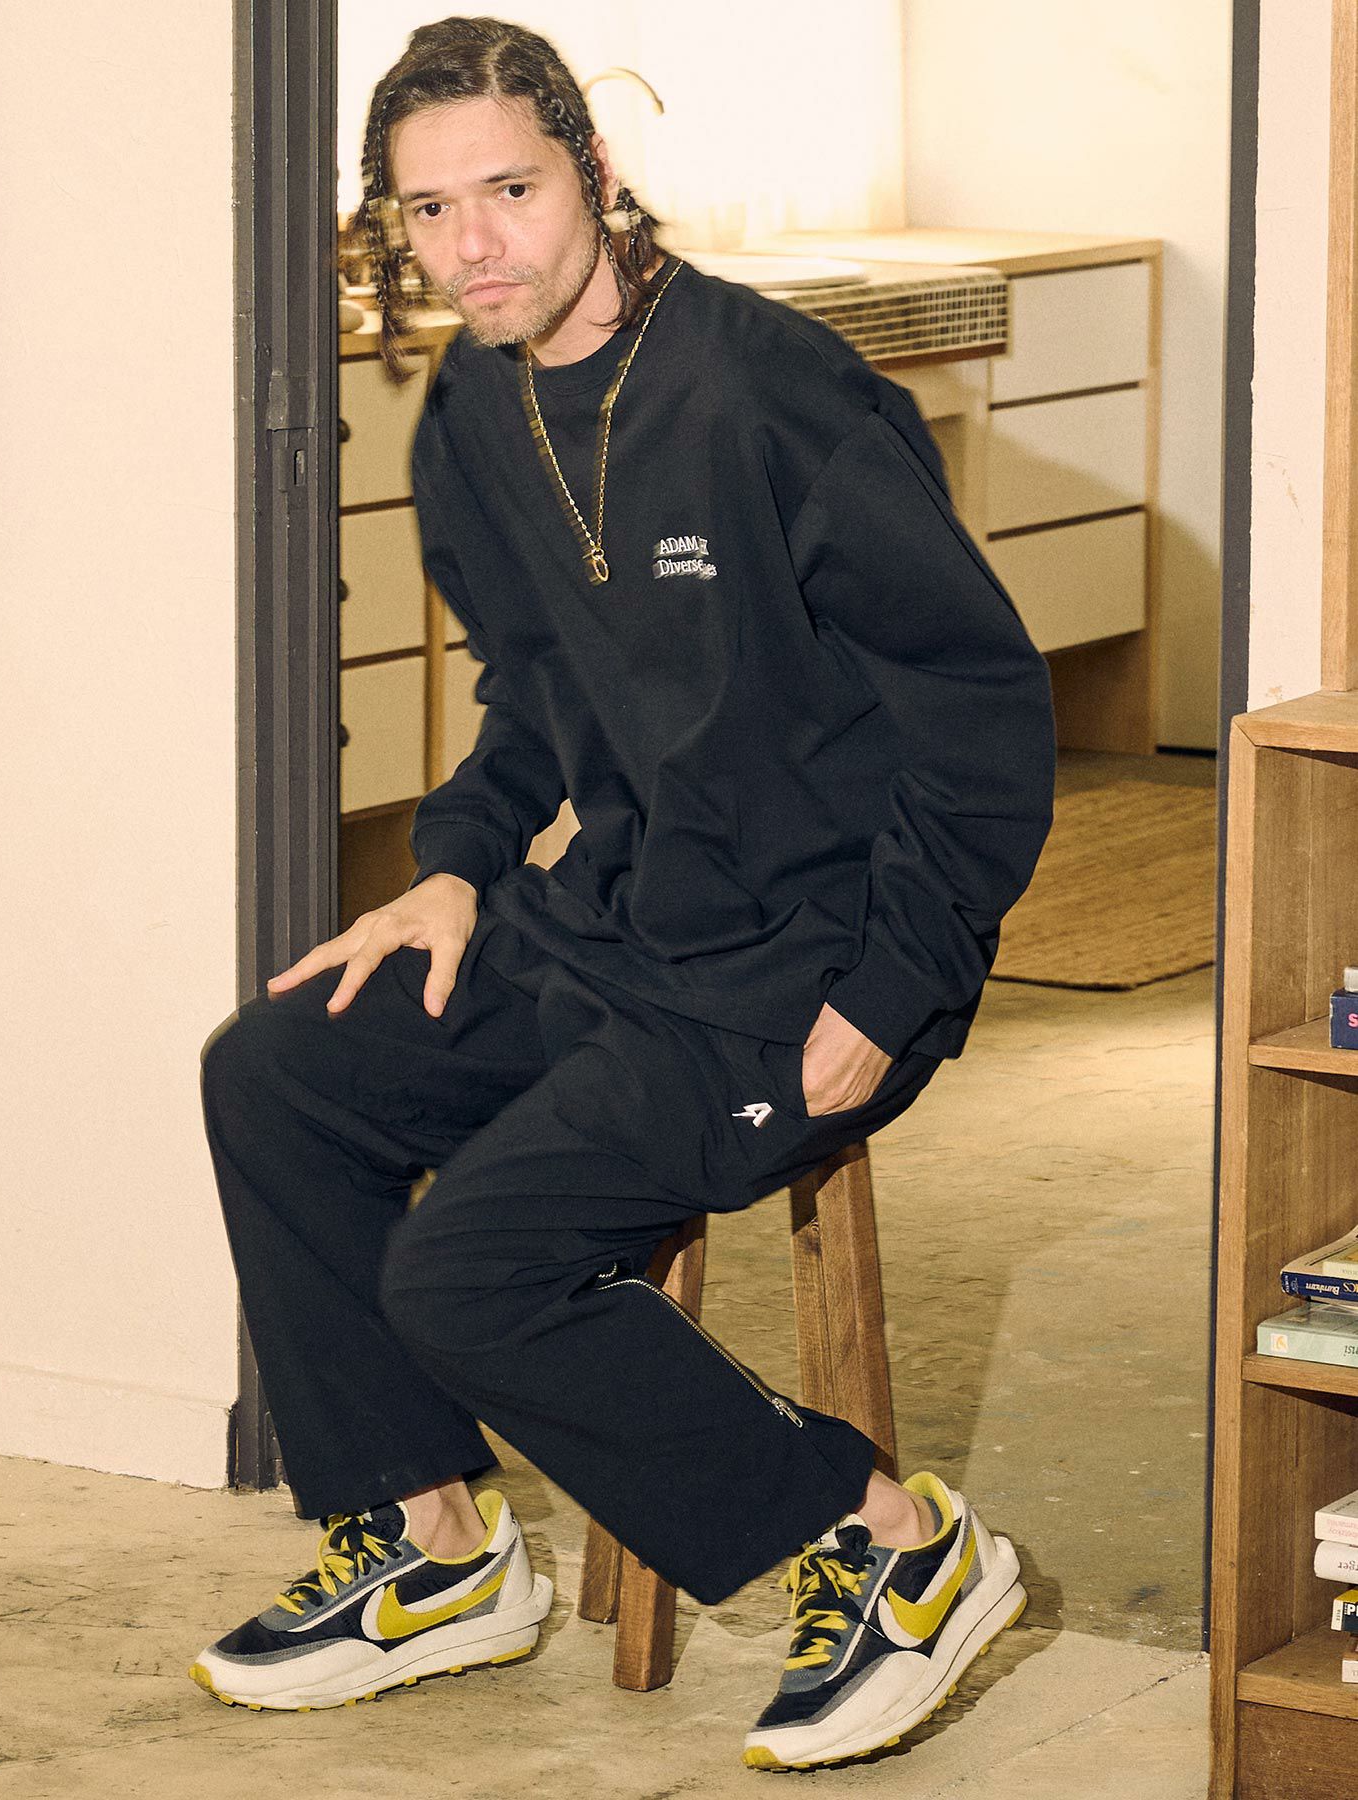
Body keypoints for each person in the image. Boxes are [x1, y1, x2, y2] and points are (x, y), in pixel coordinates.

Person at [191, 15, 1057, 1772]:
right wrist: (454, 870)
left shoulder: (774, 394)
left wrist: (890, 987)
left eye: (508, 191)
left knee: (464, 1275)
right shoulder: (475, 410)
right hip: (623, 923)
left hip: (806, 964)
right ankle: (434, 1551)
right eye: (429, 211)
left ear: (592, 173)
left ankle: (895, 1545)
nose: (473, 245)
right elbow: (534, 694)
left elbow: (983, 717)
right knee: (276, 1069)